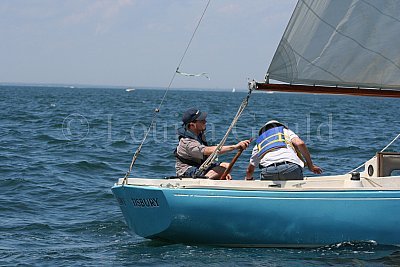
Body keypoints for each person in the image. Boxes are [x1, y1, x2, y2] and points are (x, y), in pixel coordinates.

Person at [175, 108, 250, 180]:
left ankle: (210, 178)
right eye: (202, 120)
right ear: (192, 125)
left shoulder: (199, 136)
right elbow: (208, 150)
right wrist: (235, 147)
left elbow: (207, 157)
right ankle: (202, 182)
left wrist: (223, 173)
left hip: (199, 166)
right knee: (221, 169)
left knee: (227, 166)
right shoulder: (187, 142)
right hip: (187, 171)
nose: (205, 121)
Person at [245, 120, 322, 181]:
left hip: (268, 172)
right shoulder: (286, 132)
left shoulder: (259, 142)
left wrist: (248, 180)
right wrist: (310, 165)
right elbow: (300, 143)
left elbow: (250, 170)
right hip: (290, 169)